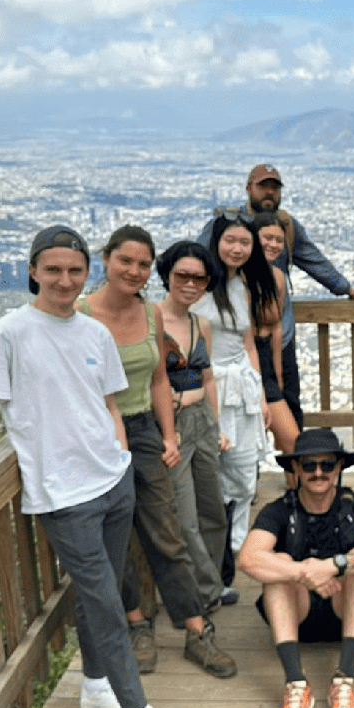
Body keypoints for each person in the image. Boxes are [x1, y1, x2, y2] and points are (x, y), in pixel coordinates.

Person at [0, 225, 169, 708]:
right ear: (33, 271)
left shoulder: (95, 333)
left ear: (88, 273)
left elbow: (108, 403)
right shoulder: (9, 333)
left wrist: (119, 454)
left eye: (74, 270)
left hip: (112, 479)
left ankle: (93, 686)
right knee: (107, 601)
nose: (64, 280)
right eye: (53, 269)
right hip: (63, 495)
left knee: (100, 586)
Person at [80, 226, 237, 679]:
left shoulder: (149, 316)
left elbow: (157, 380)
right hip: (97, 436)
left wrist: (168, 437)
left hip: (145, 428)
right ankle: (138, 623)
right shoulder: (80, 314)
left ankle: (195, 627)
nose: (133, 270)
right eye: (125, 260)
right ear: (106, 259)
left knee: (165, 529)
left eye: (142, 263)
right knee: (120, 536)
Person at [237, 429, 354, 708]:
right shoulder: (279, 510)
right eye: (309, 466)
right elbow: (248, 559)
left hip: (345, 610)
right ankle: (295, 684)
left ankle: (345, 680)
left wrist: (331, 566)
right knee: (277, 568)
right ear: (295, 469)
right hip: (298, 612)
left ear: (338, 467)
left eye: (327, 465)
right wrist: (303, 573)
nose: (318, 473)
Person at [200, 164, 354, 429]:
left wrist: (349, 290)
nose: (269, 193)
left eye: (275, 188)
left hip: (279, 337)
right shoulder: (227, 224)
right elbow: (195, 262)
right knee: (241, 414)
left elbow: (314, 259)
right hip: (234, 337)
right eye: (263, 186)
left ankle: (295, 468)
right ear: (249, 188)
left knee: (289, 406)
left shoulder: (286, 226)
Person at [197, 217, 276, 582]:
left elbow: (249, 346)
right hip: (209, 385)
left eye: (245, 243)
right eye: (230, 241)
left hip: (242, 386)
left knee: (244, 474)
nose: (237, 249)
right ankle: (217, 560)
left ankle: (237, 547)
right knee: (214, 474)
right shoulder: (198, 287)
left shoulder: (243, 289)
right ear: (216, 242)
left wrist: (260, 396)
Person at [154, 240, 229, 622]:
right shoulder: (151, 321)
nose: (190, 284)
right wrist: (169, 428)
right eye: (182, 275)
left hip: (202, 421)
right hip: (174, 424)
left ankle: (212, 579)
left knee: (213, 508)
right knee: (184, 515)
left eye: (200, 278)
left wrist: (217, 426)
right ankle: (201, 591)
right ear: (167, 275)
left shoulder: (202, 323)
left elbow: (209, 377)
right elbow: (151, 383)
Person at [254, 221, 302, 455]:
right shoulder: (235, 278)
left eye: (279, 240)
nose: (273, 245)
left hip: (265, 357)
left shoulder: (277, 278)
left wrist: (278, 377)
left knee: (291, 441)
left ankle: (296, 489)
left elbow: (275, 328)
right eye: (267, 238)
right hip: (239, 361)